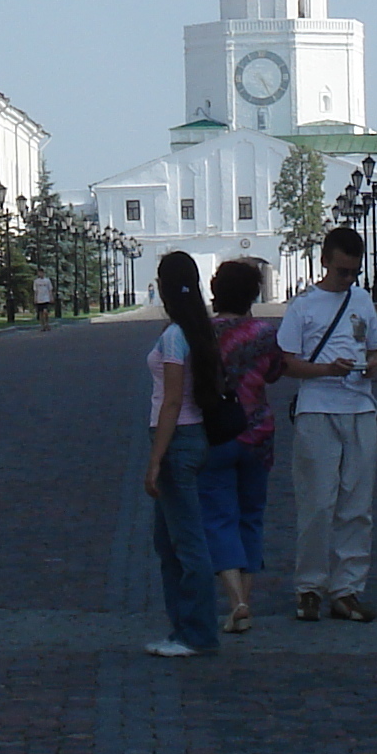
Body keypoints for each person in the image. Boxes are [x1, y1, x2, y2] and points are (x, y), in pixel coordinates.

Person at [276, 226, 377, 622]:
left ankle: (348, 589)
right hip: (317, 409)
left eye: (353, 272)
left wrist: (373, 364)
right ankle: (309, 587)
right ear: (324, 261)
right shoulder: (302, 306)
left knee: (357, 505)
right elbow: (285, 362)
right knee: (318, 504)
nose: (348, 279)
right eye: (341, 271)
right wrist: (326, 368)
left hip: (360, 408)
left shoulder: (361, 300)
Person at [142, 250, 224, 657]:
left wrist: (156, 458)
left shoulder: (175, 336)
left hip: (177, 439)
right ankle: (181, 629)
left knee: (188, 544)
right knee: (168, 542)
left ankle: (197, 634)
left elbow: (172, 401)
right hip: (191, 437)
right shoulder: (197, 329)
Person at [199, 256, 283, 634]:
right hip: (258, 433)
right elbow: (276, 372)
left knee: (218, 517)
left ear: (216, 291)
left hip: (215, 432)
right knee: (252, 515)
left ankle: (235, 601)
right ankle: (246, 600)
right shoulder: (264, 332)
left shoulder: (200, 333)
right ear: (253, 294)